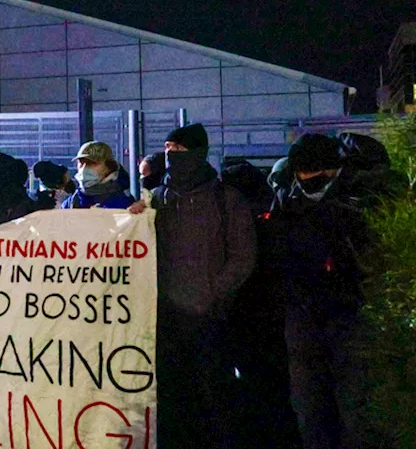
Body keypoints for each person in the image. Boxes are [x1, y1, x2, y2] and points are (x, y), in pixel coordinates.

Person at [147, 124, 256, 447]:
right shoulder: (155, 199)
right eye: (167, 149)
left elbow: (243, 256)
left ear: (196, 154)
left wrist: (212, 293)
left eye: (178, 150)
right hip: (165, 321)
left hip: (209, 319)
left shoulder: (226, 200)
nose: (170, 156)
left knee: (213, 398)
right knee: (172, 401)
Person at [274, 133, 383, 449]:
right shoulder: (288, 201)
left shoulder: (357, 201)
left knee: (354, 404)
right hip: (304, 320)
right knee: (311, 407)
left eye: (316, 175)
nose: (308, 182)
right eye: (302, 175)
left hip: (349, 318)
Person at [221, 159, 302, 448]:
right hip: (274, 317)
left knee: (251, 388)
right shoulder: (274, 216)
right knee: (276, 389)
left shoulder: (235, 221)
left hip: (243, 314)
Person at [61, 142, 134, 209]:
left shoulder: (125, 203)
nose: (84, 168)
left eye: (92, 163)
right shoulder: (71, 203)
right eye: (81, 163)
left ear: (109, 167)